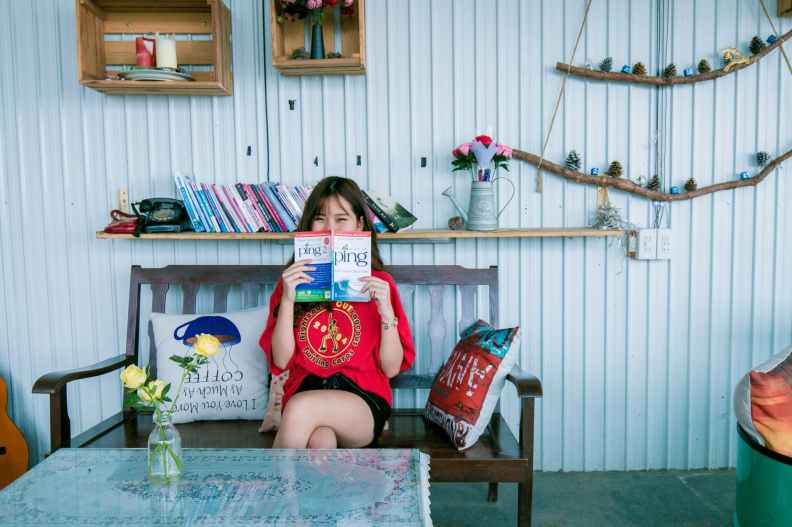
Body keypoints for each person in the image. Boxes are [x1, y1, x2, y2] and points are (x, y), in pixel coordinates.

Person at [259, 176, 415, 448]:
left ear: (359, 224)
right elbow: (282, 361)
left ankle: (270, 488)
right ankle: (314, 491)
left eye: (341, 219)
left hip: (363, 398)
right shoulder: (290, 283)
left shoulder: (380, 284)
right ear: (309, 225)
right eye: (320, 218)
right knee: (321, 441)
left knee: (300, 409)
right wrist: (287, 301)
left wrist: (386, 312)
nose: (329, 229)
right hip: (306, 389)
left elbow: (390, 369)